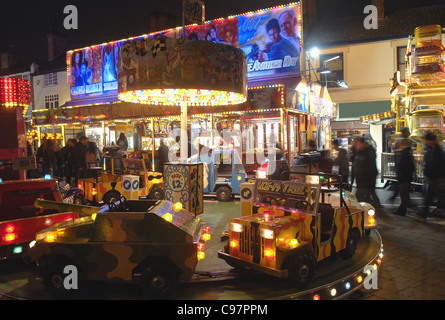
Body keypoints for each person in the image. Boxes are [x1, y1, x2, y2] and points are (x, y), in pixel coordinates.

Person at [419, 132, 445, 220]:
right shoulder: (430, 149)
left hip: (437, 177)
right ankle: (423, 215)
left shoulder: (437, 150)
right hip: (433, 177)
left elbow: (435, 164)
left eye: (427, 140)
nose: (426, 142)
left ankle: (423, 215)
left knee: (438, 197)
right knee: (430, 197)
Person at [353, 136, 381, 208]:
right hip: (362, 178)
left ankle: (360, 209)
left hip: (365, 178)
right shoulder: (360, 151)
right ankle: (376, 205)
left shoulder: (369, 152)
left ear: (363, 143)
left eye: (358, 144)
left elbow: (368, 166)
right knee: (370, 192)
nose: (357, 145)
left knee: (361, 195)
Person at [394, 138, 415, 216]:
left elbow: (407, 166)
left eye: (400, 143)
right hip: (404, 177)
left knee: (404, 195)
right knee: (404, 195)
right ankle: (402, 210)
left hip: (404, 178)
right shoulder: (405, 152)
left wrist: (402, 176)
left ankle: (402, 211)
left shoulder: (406, 153)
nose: (398, 145)